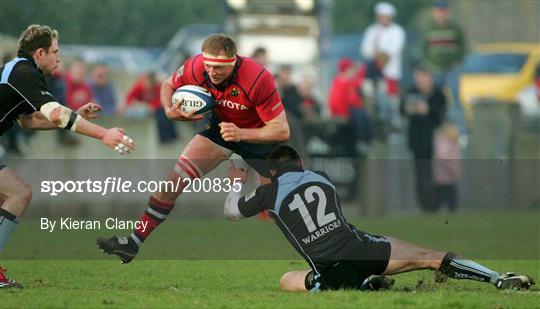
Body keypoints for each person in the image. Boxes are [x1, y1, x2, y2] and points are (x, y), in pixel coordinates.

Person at [223, 144, 534, 292]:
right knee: (430, 257)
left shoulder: (269, 194)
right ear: (301, 163)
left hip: (330, 269)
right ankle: (497, 279)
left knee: (287, 279)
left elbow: (231, 213)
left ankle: (343, 286)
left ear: (273, 172)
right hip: (363, 249)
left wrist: (239, 180)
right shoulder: (321, 176)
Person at [96, 33, 290, 262]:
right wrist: (169, 110)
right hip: (219, 131)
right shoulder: (197, 66)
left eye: (219, 68)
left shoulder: (258, 78)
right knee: (174, 180)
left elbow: (281, 130)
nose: (211, 72)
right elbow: (168, 84)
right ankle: (133, 242)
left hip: (260, 139)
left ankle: (322, 256)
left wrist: (242, 133)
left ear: (233, 61)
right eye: (208, 66)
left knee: (281, 211)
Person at [0, 24, 135, 288]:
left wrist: (76, 114)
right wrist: (104, 134)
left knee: (13, 194)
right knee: (18, 193)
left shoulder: (21, 70)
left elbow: (29, 122)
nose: (59, 58)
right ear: (40, 53)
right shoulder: (25, 72)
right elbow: (56, 115)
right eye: (55, 51)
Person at [401, 66, 447, 212]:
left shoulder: (438, 94)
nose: (420, 81)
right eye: (418, 77)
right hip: (417, 139)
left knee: (439, 173)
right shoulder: (411, 92)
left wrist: (427, 109)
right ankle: (425, 204)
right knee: (421, 173)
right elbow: (402, 110)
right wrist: (412, 108)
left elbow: (440, 114)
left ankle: (439, 202)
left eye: (423, 77)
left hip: (436, 140)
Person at [422, 0, 467, 134]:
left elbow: (463, 48)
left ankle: (463, 132)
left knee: (455, 98)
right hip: (435, 70)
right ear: (434, 12)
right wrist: (428, 65)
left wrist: (457, 62)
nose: (441, 14)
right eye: (438, 11)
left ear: (447, 12)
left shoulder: (455, 28)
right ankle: (435, 129)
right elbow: (423, 49)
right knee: (436, 99)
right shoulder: (429, 29)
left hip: (452, 70)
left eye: (443, 11)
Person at [361, 2, 405, 130]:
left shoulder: (397, 31)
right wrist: (376, 55)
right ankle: (380, 121)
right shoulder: (372, 30)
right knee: (376, 96)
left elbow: (394, 49)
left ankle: (395, 120)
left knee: (392, 97)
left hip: (390, 70)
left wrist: (382, 55)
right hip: (375, 71)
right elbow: (366, 50)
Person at [123, 72, 178, 144]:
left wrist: (152, 106)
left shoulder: (157, 87)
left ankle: (172, 136)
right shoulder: (139, 86)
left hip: (156, 108)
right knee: (161, 116)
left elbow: (161, 99)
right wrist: (135, 105)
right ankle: (164, 138)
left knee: (167, 114)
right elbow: (129, 97)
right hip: (143, 109)